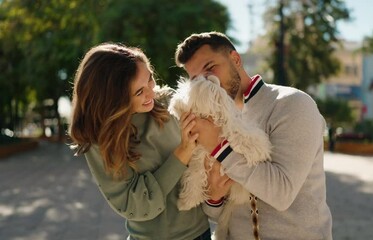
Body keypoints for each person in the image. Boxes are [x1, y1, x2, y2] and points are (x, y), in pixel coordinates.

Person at [175, 32, 333, 240]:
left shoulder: (292, 104)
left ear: (235, 59)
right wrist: (214, 197)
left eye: (211, 69)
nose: (209, 84)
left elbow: (281, 193)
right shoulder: (213, 122)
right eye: (198, 80)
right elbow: (222, 214)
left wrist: (218, 146)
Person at [68, 43, 211, 240]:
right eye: (138, 92)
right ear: (114, 99)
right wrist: (183, 152)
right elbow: (135, 205)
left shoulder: (168, 101)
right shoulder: (100, 141)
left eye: (150, 78)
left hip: (201, 232)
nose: (151, 92)